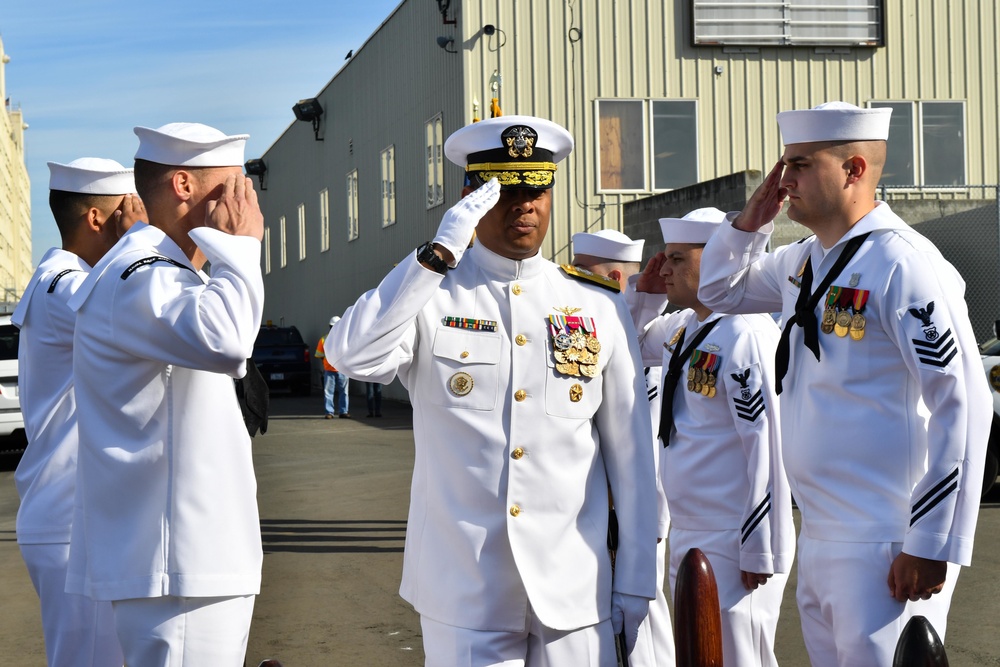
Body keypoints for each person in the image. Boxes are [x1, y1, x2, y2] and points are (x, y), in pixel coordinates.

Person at [325, 114, 657, 666]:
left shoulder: (597, 304)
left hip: (574, 588)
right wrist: (437, 254)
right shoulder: (432, 295)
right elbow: (349, 354)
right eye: (503, 191)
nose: (524, 205)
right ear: (470, 199)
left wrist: (637, 580)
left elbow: (632, 458)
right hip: (465, 590)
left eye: (536, 190)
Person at [698, 101, 991, 666]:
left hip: (885, 538)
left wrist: (931, 542)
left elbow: (963, 404)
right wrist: (749, 222)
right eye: (785, 165)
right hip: (823, 534)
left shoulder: (903, 263)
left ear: (854, 170)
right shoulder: (803, 260)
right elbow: (719, 291)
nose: (784, 180)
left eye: (801, 165)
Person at [65, 123, 265, 667]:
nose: (246, 201)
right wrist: (239, 246)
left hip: (188, 560)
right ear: (183, 185)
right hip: (178, 569)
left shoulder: (163, 274)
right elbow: (227, 342)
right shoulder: (141, 275)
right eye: (234, 184)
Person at [629, 209, 794, 666]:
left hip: (732, 535)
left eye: (678, 259)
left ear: (719, 260)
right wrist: (644, 296)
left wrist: (760, 545)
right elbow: (630, 342)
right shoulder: (686, 327)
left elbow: (767, 444)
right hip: (689, 528)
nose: (665, 269)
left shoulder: (745, 331)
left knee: (740, 656)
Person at [13, 158, 143, 667]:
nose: (136, 221)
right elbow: (134, 309)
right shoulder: (66, 284)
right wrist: (146, 243)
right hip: (71, 519)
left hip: (72, 514)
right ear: (95, 218)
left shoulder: (64, 279)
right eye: (125, 213)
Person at [571, 229, 676, 667]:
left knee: (643, 622)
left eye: (583, 272)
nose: (573, 281)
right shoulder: (628, 322)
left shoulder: (663, 330)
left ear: (614, 277)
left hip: (642, 504)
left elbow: (623, 346)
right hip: (611, 503)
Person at [316, 316, 350, 418]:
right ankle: (332, 412)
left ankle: (340, 412)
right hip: (332, 370)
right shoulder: (344, 339)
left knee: (338, 392)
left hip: (339, 370)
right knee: (335, 392)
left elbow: (320, 356)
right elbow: (320, 354)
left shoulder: (344, 339)